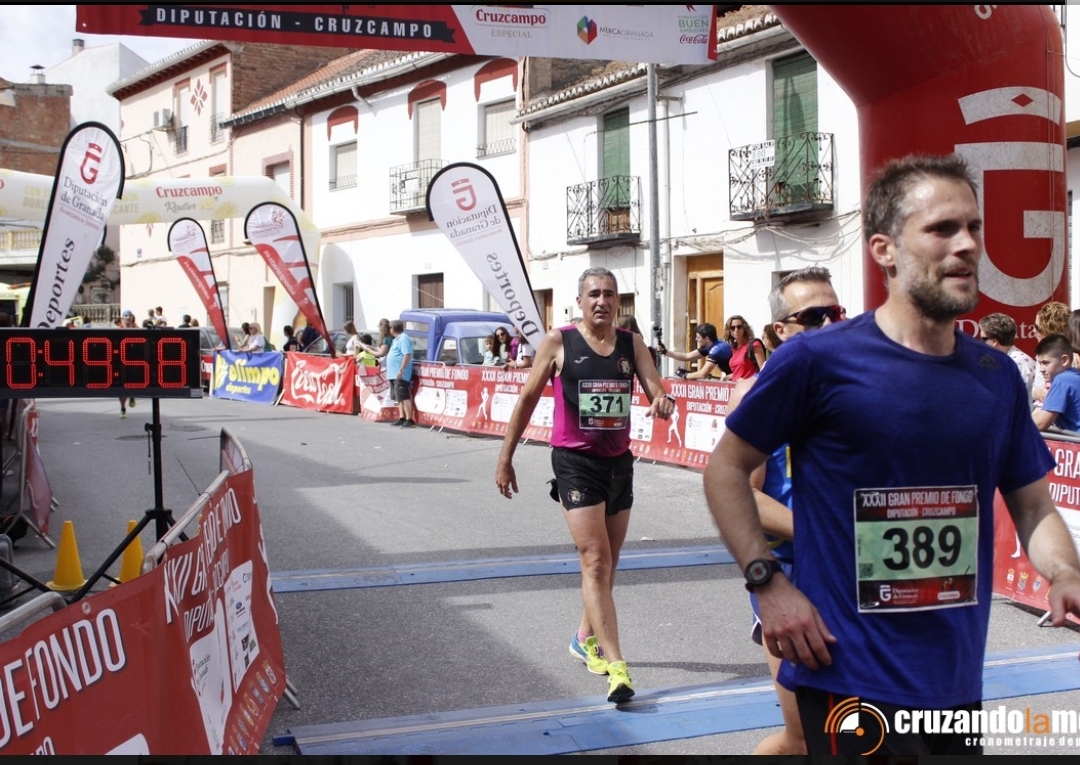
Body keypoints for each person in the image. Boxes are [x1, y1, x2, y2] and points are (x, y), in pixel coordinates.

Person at [703, 153, 1080, 755]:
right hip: (846, 674)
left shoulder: (995, 377)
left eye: (974, 227)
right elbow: (725, 470)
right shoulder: (817, 362)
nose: (967, 245)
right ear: (884, 250)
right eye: (942, 229)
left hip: (955, 679)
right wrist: (767, 584)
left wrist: (1064, 573)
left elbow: (1032, 506)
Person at [495, 267, 676, 705]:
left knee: (607, 565)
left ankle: (582, 637)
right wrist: (505, 458)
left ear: (618, 302)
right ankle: (617, 667)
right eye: (594, 293)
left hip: (619, 463)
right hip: (574, 463)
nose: (602, 301)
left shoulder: (631, 344)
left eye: (609, 294)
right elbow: (527, 398)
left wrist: (662, 401)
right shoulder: (559, 342)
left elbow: (655, 388)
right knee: (595, 560)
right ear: (579, 301)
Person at [725, 265, 844, 756]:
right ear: (780, 329)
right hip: (789, 572)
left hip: (851, 573)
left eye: (835, 313)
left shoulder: (855, 390)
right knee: (805, 737)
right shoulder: (755, 393)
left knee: (859, 732)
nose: (829, 324)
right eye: (813, 317)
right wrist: (822, 532)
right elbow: (743, 494)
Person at [979, 312, 1036, 407]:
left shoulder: (1015, 364)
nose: (980, 342)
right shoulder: (1005, 361)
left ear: (994, 341)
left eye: (983, 339)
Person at [1032, 334, 1080, 433]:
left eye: (1046, 363)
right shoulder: (1071, 377)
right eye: (1040, 363)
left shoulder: (1063, 380)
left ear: (1064, 360)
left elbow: (1040, 423)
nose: (1041, 369)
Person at [659, 323, 732, 380]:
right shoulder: (711, 344)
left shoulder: (716, 350)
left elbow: (702, 374)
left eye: (698, 337)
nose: (696, 339)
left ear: (707, 339)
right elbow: (687, 357)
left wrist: (685, 375)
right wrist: (665, 352)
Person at [1032, 300, 1069, 405]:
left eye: (1038, 328)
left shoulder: (1074, 357)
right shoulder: (1041, 354)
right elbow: (1035, 390)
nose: (1034, 331)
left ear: (1050, 330)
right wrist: (1041, 393)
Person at [386, 320, 416, 428]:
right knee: (398, 396)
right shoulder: (396, 340)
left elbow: (407, 354)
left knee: (404, 395)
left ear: (393, 328)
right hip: (393, 373)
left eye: (390, 328)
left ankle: (409, 419)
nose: (389, 330)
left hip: (400, 373)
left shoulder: (403, 338)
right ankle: (402, 417)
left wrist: (401, 369)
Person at [724, 315, 767, 380]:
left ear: (744, 328)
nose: (736, 330)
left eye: (739, 327)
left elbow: (763, 371)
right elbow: (741, 371)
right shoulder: (734, 348)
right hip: (736, 385)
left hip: (750, 385)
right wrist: (729, 376)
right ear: (729, 330)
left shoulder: (754, 344)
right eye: (732, 328)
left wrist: (746, 381)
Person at [118, 310, 138, 417]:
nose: (128, 317)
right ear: (123, 318)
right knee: (122, 386)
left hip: (134, 360)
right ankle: (122, 408)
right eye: (126, 315)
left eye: (130, 315)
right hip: (122, 361)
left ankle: (132, 395)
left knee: (132, 382)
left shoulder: (137, 329)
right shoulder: (119, 330)